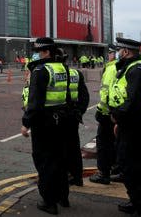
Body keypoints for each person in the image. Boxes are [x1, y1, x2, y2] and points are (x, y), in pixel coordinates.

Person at [21, 37, 78, 215]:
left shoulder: (40, 70)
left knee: (44, 162)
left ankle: (49, 201)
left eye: (37, 51)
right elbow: (67, 97)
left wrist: (26, 123)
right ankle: (63, 197)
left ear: (45, 52)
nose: (35, 54)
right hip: (61, 120)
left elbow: (35, 102)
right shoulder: (61, 68)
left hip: (44, 123)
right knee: (60, 160)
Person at [109, 38, 141, 217]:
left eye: (120, 50)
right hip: (132, 122)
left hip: (136, 123)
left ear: (126, 52)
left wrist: (118, 118)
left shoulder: (137, 70)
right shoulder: (133, 67)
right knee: (128, 163)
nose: (118, 53)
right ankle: (137, 201)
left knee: (134, 165)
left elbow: (133, 102)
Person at [56, 48, 89, 187]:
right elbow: (85, 96)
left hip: (58, 118)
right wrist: (79, 112)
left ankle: (64, 177)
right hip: (73, 117)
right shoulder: (76, 73)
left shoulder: (51, 74)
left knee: (59, 149)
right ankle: (77, 177)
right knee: (74, 148)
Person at [89, 44, 119, 185]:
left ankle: (103, 173)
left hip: (108, 113)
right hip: (118, 112)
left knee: (103, 143)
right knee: (115, 142)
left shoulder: (112, 68)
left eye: (110, 53)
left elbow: (106, 93)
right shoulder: (122, 67)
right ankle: (116, 168)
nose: (108, 55)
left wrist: (102, 111)